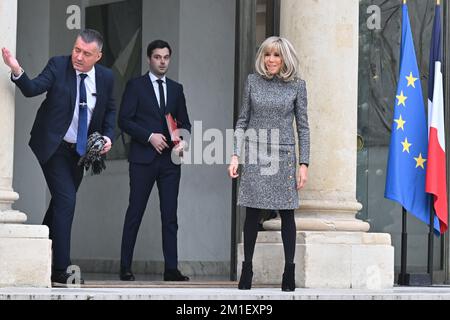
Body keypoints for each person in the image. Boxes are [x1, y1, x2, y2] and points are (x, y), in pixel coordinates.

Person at [1, 29, 116, 285]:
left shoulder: (106, 78)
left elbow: (110, 110)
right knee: (67, 200)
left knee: (60, 205)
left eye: (86, 53)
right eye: (77, 49)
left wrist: (108, 137)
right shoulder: (58, 65)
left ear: (99, 56)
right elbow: (32, 89)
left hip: (81, 152)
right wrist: (17, 69)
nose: (79, 56)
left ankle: (42, 255)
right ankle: (61, 270)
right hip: (52, 146)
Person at [228, 36, 310, 292]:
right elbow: (242, 121)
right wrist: (235, 154)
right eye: (267, 55)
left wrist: (304, 163)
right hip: (254, 154)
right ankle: (247, 269)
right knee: (252, 213)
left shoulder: (297, 86)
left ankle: (289, 270)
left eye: (276, 55)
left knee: (287, 213)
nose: (271, 60)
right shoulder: (252, 82)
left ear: (285, 58)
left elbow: (303, 127)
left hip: (284, 155)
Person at [119, 40, 191, 282]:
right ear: (149, 59)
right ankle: (125, 267)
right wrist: (149, 136)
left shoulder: (176, 89)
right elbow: (124, 120)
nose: (162, 61)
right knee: (134, 213)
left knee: (170, 216)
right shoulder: (135, 86)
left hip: (170, 162)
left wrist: (183, 141)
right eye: (158, 57)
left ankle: (171, 269)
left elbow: (185, 123)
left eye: (166, 57)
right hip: (143, 160)